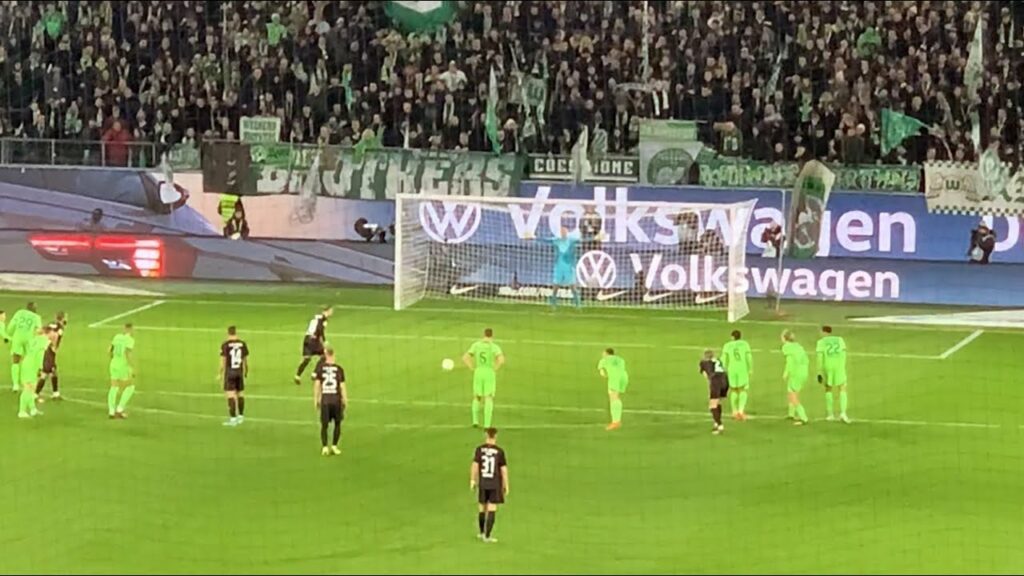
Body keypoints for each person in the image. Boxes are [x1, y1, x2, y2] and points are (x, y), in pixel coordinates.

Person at [470, 427, 508, 543]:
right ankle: (487, 536)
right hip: (494, 484)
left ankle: (481, 533)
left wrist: (472, 480)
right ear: (495, 436)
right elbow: (503, 470)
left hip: (483, 483)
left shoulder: (479, 450)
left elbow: (475, 465)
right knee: (492, 508)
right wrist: (506, 484)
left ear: (486, 435)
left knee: (482, 508)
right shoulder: (499, 451)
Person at [530, 226, 581, 308]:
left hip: (569, 266)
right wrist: (534, 237)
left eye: (564, 231)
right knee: (556, 286)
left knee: (573, 286)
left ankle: (577, 304)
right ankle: (553, 303)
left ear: (567, 232)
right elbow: (545, 240)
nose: (563, 233)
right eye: (562, 231)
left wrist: (595, 238)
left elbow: (584, 240)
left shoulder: (571, 240)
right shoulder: (556, 240)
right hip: (559, 265)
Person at [463, 328, 505, 429]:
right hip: (489, 372)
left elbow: (465, 357)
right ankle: (487, 424)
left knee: (477, 396)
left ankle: (475, 421)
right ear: (492, 335)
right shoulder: (494, 347)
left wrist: (472, 367)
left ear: (484, 334)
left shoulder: (476, 345)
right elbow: (501, 360)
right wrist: (495, 368)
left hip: (478, 372)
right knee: (488, 397)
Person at [313, 346, 347, 456]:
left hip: (326, 401)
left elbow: (317, 384)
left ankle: (324, 447)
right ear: (333, 355)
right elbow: (342, 386)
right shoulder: (339, 369)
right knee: (337, 423)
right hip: (336, 400)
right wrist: (345, 399)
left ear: (326, 355)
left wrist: (316, 399)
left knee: (324, 425)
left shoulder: (321, 368)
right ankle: (334, 446)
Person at [6, 302, 42, 393]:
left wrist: (8, 334)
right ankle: (28, 383)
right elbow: (39, 330)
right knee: (29, 361)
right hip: (28, 339)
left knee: (15, 360)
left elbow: (12, 325)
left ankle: (15, 385)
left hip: (17, 337)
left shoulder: (19, 312)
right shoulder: (36, 317)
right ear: (33, 308)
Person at [17, 327, 52, 419]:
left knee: (31, 389)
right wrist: (41, 369)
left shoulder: (35, 339)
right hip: (31, 367)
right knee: (28, 389)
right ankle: (22, 411)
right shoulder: (43, 343)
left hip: (26, 364)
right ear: (46, 334)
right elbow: (39, 357)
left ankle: (33, 409)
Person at [816, 326, 850, 423]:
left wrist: (819, 372)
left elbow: (819, 358)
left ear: (824, 332)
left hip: (828, 366)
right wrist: (842, 365)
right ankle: (843, 413)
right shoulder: (840, 340)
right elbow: (844, 353)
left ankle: (830, 414)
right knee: (842, 388)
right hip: (839, 366)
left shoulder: (821, 342)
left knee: (828, 388)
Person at [219, 326, 249, 427]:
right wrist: (246, 371)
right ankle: (241, 416)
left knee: (230, 395)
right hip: (239, 372)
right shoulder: (242, 344)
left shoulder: (225, 345)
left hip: (230, 373)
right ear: (236, 332)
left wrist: (220, 374)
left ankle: (233, 419)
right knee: (240, 394)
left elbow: (223, 361)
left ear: (228, 333)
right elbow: (245, 360)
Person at [294, 305, 332, 385]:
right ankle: (314, 374)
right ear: (325, 311)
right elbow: (319, 330)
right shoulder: (323, 319)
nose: (330, 313)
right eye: (329, 311)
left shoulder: (316, 318)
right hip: (314, 340)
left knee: (307, 359)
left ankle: (297, 376)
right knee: (324, 356)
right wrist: (324, 341)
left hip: (307, 339)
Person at [721, 330, 753, 420]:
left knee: (734, 390)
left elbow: (723, 359)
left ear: (732, 337)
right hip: (742, 369)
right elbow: (749, 357)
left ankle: (734, 412)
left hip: (732, 370)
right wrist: (750, 368)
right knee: (743, 390)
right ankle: (741, 411)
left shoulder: (727, 345)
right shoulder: (745, 344)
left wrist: (722, 369)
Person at [36, 311, 67, 401]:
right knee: (45, 373)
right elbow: (57, 337)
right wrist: (54, 346)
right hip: (49, 350)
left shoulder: (51, 324)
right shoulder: (60, 328)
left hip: (45, 348)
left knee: (53, 372)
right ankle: (35, 394)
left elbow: (40, 330)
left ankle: (55, 393)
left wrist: (43, 338)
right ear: (63, 318)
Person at [781, 330, 810, 425]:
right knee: (792, 391)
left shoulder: (786, 347)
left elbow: (789, 361)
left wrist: (786, 373)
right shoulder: (798, 346)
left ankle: (803, 418)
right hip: (803, 371)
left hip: (796, 373)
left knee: (792, 396)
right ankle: (791, 414)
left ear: (785, 338)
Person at [108, 324, 136, 419]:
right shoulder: (130, 340)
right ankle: (120, 409)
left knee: (114, 387)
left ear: (124, 329)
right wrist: (131, 368)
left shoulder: (117, 337)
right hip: (123, 366)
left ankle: (111, 411)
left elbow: (109, 351)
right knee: (130, 387)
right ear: (130, 330)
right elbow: (127, 354)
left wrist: (114, 359)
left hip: (113, 364)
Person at [597, 348, 629, 431]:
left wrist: (604, 374)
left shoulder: (604, 360)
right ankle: (617, 420)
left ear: (606, 353)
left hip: (614, 378)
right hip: (624, 377)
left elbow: (602, 373)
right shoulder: (620, 359)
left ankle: (616, 422)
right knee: (616, 397)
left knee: (613, 398)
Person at [699, 349, 729, 434]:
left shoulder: (704, 363)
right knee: (718, 402)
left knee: (712, 405)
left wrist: (711, 385)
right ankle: (716, 423)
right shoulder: (718, 361)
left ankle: (720, 425)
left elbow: (706, 375)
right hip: (725, 380)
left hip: (716, 381)